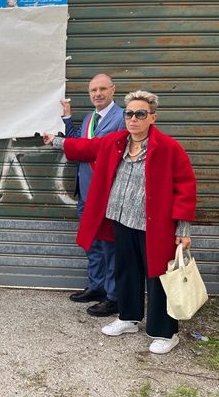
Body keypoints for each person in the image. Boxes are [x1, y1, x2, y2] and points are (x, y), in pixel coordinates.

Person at [43, 90, 197, 354]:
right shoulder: (117, 141)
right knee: (126, 271)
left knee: (158, 277)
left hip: (155, 226)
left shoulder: (169, 148)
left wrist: (183, 229)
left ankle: (165, 333)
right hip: (121, 220)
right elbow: (86, 147)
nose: (133, 119)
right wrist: (56, 141)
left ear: (152, 117)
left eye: (140, 114)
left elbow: (185, 187)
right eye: (129, 113)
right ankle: (128, 318)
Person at [61, 74, 125, 317]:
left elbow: (110, 152)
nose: (97, 93)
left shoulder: (121, 118)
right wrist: (67, 118)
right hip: (86, 192)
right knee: (92, 242)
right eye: (93, 90)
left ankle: (114, 296)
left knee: (109, 245)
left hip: (107, 193)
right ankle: (97, 286)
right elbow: (77, 144)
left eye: (102, 89)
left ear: (112, 90)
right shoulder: (90, 118)